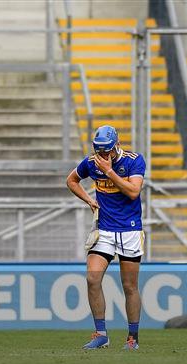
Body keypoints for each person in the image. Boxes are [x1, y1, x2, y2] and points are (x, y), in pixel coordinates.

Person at [66, 125, 145, 350]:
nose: (102, 156)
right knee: (92, 279)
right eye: (99, 151)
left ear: (116, 145)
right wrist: (88, 200)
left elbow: (133, 192)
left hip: (129, 230)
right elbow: (71, 180)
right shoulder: (91, 162)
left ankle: (132, 337)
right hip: (105, 230)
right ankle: (101, 334)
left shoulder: (134, 160)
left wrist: (110, 172)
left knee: (129, 286)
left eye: (106, 151)